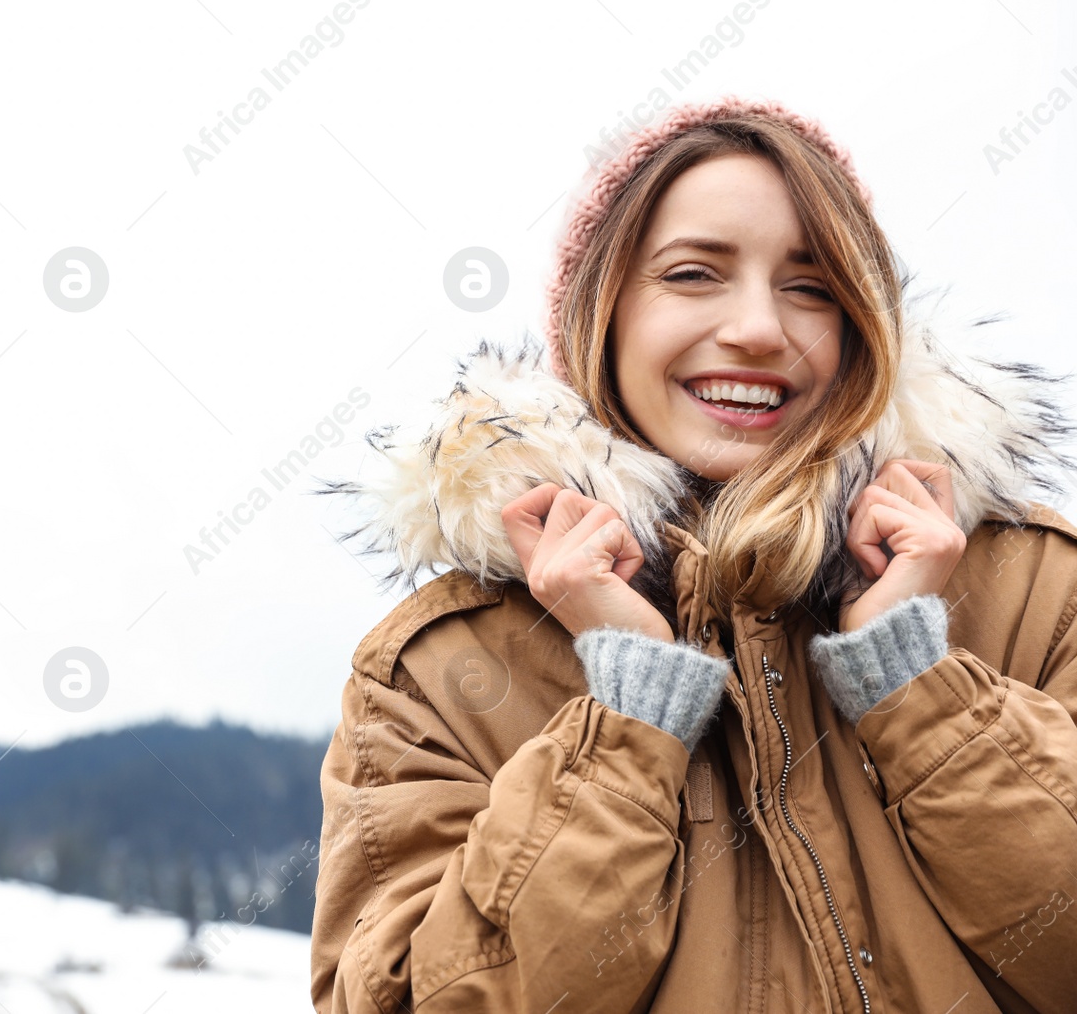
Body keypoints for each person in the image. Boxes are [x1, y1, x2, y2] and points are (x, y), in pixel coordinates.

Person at [308, 97, 1077, 1013]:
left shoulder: (1036, 592)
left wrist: (914, 685)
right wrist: (628, 717)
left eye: (810, 285)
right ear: (601, 313)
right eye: (693, 274)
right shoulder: (437, 670)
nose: (758, 327)